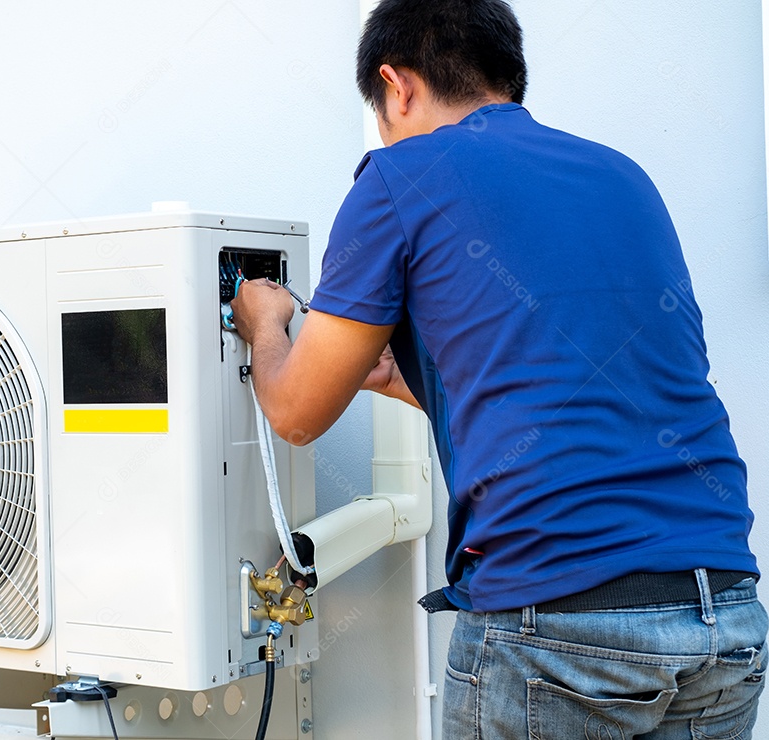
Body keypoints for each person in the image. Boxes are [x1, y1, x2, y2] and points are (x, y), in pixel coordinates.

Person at [229, 0, 766, 737]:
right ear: (506, 74)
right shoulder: (622, 176)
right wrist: (414, 382)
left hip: (562, 632)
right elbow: (592, 386)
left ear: (397, 86)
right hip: (723, 616)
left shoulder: (398, 177)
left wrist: (266, 324)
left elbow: (293, 413)